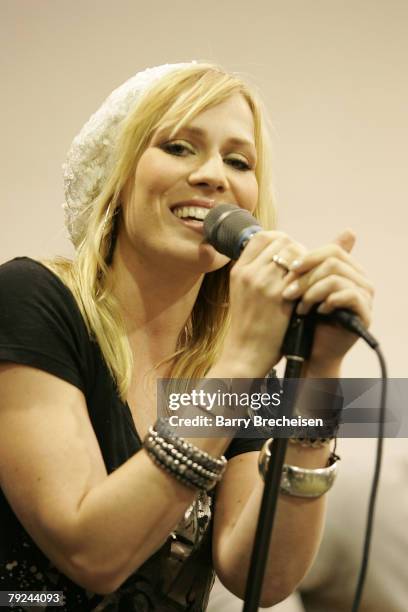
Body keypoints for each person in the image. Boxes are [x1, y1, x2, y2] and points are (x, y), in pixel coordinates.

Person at [0, 61, 374, 611]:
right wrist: (242, 362)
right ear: (118, 175)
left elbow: (261, 577)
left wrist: (319, 379)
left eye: (238, 160)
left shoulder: (233, 361)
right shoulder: (30, 297)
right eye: (179, 147)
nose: (212, 175)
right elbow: (92, 555)